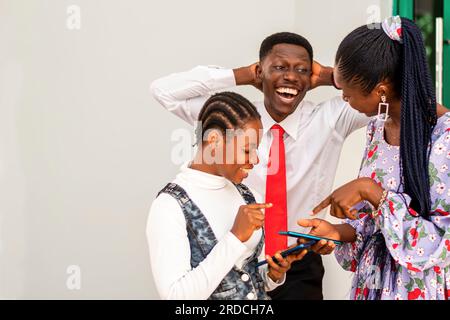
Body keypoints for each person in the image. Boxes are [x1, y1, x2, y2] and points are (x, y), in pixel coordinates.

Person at [150, 32, 368, 300]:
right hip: (236, 261)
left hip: (296, 262)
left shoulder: (332, 119)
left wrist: (333, 77)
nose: (290, 76)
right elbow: (163, 91)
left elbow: (384, 92)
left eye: (302, 70)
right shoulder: (234, 120)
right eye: (279, 67)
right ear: (260, 71)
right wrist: (241, 75)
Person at [299, 16, 450, 300]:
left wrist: (370, 190)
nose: (347, 102)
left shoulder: (446, 138)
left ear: (380, 90)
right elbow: (374, 221)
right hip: (370, 287)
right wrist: (337, 232)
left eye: (348, 96)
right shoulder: (375, 131)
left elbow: (441, 242)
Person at [147, 92, 307, 300]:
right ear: (214, 141)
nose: (255, 159)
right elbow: (178, 297)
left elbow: (241, 280)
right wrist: (235, 237)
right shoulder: (170, 206)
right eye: (247, 150)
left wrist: (273, 274)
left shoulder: (249, 196)